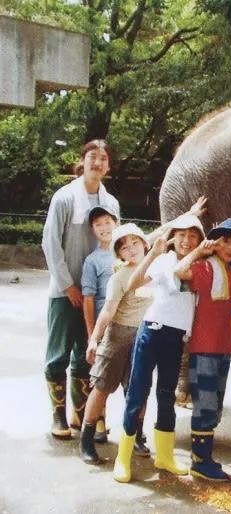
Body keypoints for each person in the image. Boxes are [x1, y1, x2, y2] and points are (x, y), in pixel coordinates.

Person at [79, 198, 207, 465]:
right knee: (103, 387)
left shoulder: (158, 263)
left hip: (146, 335)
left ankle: (137, 435)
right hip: (119, 336)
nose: (131, 248)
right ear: (120, 254)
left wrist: (190, 213)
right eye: (124, 247)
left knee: (138, 390)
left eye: (135, 243)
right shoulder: (122, 276)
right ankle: (87, 437)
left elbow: (167, 232)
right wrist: (95, 339)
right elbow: (108, 310)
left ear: (144, 243)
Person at [112, 214, 205, 483]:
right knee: (137, 393)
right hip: (152, 330)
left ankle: (164, 456)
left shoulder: (201, 266)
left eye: (193, 236)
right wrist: (152, 254)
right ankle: (123, 457)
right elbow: (131, 285)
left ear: (199, 239)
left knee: (167, 395)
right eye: (182, 235)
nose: (187, 241)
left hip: (176, 338)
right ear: (174, 237)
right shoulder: (164, 260)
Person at [42, 139, 119, 440]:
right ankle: (58, 415)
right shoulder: (64, 198)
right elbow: (50, 244)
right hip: (65, 293)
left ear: (108, 166)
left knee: (87, 355)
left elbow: (116, 246)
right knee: (58, 355)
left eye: (103, 158)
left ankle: (82, 413)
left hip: (98, 296)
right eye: (92, 157)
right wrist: (68, 285)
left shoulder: (111, 204)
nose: (97, 163)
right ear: (82, 161)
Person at [174, 218, 231, 480]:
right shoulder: (205, 268)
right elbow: (179, 272)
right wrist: (199, 251)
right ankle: (199, 462)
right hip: (204, 347)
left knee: (216, 403)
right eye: (225, 241)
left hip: (224, 347)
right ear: (215, 242)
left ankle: (204, 457)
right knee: (205, 403)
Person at [80, 205, 119, 443]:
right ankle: (98, 423)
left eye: (107, 222)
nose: (104, 228)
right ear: (93, 231)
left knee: (132, 379)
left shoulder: (128, 249)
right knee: (101, 379)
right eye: (98, 225)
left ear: (116, 221)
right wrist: (91, 335)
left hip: (130, 323)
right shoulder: (92, 261)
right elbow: (88, 299)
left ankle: (135, 433)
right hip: (105, 327)